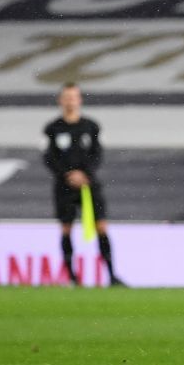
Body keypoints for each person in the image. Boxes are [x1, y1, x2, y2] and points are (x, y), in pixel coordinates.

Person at [43, 82, 124, 286]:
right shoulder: (53, 129)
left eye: (74, 97)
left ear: (79, 100)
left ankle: (112, 276)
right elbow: (49, 158)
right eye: (67, 97)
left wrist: (84, 174)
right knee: (66, 228)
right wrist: (68, 175)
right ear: (61, 100)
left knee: (101, 226)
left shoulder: (90, 127)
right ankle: (71, 278)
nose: (70, 101)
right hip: (64, 186)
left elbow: (97, 155)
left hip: (89, 185)